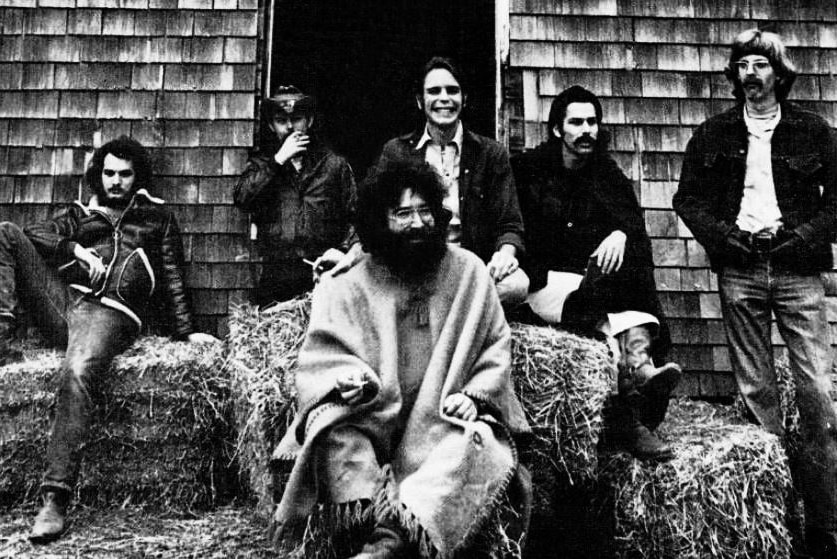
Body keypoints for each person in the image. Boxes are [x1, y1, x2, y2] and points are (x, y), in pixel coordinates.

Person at [270, 162, 532, 558]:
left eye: (425, 211)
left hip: (441, 421)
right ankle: (374, 527)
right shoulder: (349, 281)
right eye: (402, 214)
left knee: (480, 447)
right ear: (379, 220)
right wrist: (348, 380)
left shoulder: (469, 273)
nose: (417, 224)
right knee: (332, 435)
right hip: (376, 418)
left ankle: (388, 542)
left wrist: (477, 397)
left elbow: (496, 345)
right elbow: (325, 354)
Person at [0, 136, 219, 543]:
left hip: (111, 312)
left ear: (138, 178)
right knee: (6, 233)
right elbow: (35, 233)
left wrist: (186, 333)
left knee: (77, 371)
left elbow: (172, 276)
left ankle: (54, 498)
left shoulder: (156, 218)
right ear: (99, 175)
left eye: (125, 174)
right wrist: (77, 250)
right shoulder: (81, 213)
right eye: (109, 173)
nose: (115, 181)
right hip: (65, 303)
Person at [674, 29, 837, 559]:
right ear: (734, 76)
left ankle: (824, 524)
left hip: (797, 272)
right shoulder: (714, 133)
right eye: (742, 65)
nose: (750, 73)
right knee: (756, 395)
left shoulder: (814, 132)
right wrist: (723, 239)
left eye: (760, 65)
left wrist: (804, 239)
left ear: (779, 74)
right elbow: (687, 199)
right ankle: (774, 517)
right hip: (741, 270)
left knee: (816, 396)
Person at [512, 85, 681, 462]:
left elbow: (633, 223)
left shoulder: (605, 172)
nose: (587, 129)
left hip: (588, 283)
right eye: (577, 122)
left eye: (592, 122)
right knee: (598, 316)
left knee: (627, 274)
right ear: (558, 129)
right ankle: (634, 390)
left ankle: (641, 367)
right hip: (543, 282)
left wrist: (620, 234)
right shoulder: (528, 170)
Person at [368, 56, 529, 307]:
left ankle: (444, 308)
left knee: (517, 285)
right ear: (420, 101)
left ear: (464, 99)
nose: (444, 98)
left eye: (452, 91)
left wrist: (504, 255)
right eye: (434, 91)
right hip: (414, 263)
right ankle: (458, 309)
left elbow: (510, 224)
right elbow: (373, 215)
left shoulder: (491, 153)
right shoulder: (397, 152)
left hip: (472, 268)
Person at [233, 85, 357, 308]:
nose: (290, 127)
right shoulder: (262, 165)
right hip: (275, 279)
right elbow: (242, 199)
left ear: (308, 121)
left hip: (324, 276)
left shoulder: (333, 165)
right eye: (281, 120)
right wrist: (277, 161)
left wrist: (343, 252)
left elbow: (355, 218)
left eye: (297, 119)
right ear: (272, 125)